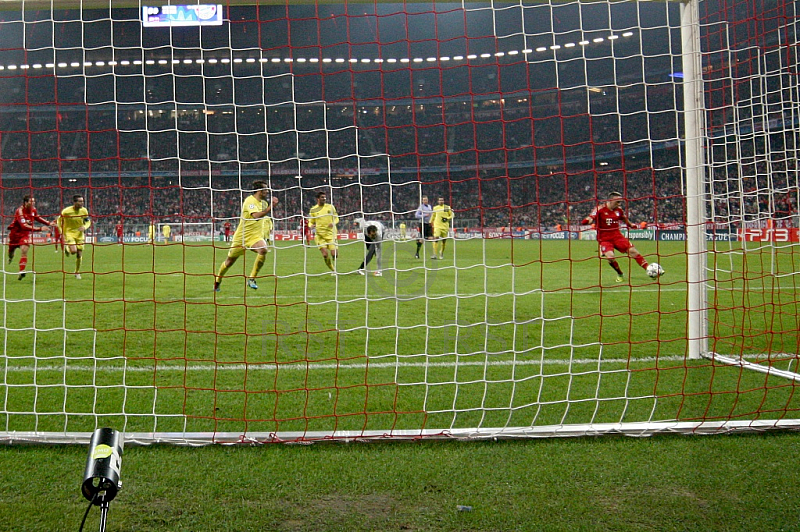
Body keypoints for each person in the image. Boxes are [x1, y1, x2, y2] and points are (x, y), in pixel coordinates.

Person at [214, 181, 277, 292]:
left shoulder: (264, 203)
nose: (267, 191)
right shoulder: (249, 201)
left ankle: (251, 279)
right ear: (259, 190)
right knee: (229, 262)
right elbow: (256, 216)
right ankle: (218, 280)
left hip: (255, 237)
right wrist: (271, 207)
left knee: (263, 250)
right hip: (241, 238)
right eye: (265, 189)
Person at [581, 191, 650, 282]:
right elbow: (590, 219)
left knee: (633, 251)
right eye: (617, 202)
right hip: (604, 238)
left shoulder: (619, 210)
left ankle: (650, 270)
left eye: (620, 202)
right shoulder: (599, 209)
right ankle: (620, 274)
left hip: (617, 236)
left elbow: (625, 219)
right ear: (610, 200)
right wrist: (587, 221)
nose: (619, 204)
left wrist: (632, 225)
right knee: (610, 257)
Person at [7, 195, 54, 280]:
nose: (33, 203)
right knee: (10, 253)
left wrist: (48, 223)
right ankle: (10, 258)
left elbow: (37, 218)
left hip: (24, 235)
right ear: (25, 203)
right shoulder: (20, 211)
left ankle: (21, 271)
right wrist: (39, 229)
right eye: (31, 201)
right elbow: (24, 226)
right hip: (14, 235)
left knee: (24, 250)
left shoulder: (33, 210)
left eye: (34, 201)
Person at [59, 195, 92, 279]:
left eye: (82, 201)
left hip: (80, 234)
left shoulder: (84, 210)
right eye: (80, 201)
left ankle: (77, 272)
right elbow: (59, 221)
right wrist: (61, 232)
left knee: (79, 254)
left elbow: (88, 222)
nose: (82, 203)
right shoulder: (66, 211)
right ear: (75, 202)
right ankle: (67, 248)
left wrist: (85, 227)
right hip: (69, 233)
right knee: (73, 251)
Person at [308, 191, 339, 272]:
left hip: (331, 234)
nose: (324, 199)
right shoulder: (313, 209)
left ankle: (333, 262)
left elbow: (336, 218)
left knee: (334, 255)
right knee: (325, 255)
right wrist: (310, 225)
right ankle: (332, 269)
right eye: (322, 197)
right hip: (319, 235)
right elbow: (310, 221)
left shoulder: (330, 207)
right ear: (318, 199)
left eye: (324, 197)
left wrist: (333, 223)